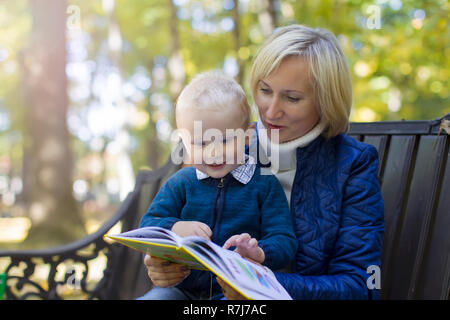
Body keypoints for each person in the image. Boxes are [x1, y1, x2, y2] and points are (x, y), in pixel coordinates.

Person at [143, 24, 384, 300]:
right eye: (265, 90)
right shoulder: (223, 144)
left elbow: (361, 286)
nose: (270, 111)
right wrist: (161, 264)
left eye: (292, 98)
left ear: (325, 101)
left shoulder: (353, 164)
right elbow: (169, 222)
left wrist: (258, 284)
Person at [138, 71, 297, 300]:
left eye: (225, 140)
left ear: (248, 136)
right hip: (180, 288)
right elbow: (147, 225)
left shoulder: (264, 184)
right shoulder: (182, 183)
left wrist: (259, 251)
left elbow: (284, 239)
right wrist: (175, 228)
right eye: (200, 143)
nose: (213, 152)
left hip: (236, 290)